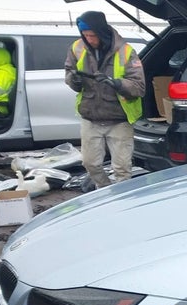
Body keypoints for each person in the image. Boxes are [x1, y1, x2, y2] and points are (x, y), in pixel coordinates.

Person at [64, 11, 145, 188]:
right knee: (90, 164)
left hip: (118, 119)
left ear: (102, 32)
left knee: (122, 168)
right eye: (85, 35)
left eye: (92, 35)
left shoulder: (126, 51)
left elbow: (139, 86)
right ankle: (105, 192)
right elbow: (68, 73)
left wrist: (116, 83)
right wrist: (74, 80)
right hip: (90, 118)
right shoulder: (77, 47)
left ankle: (123, 200)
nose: (89, 39)